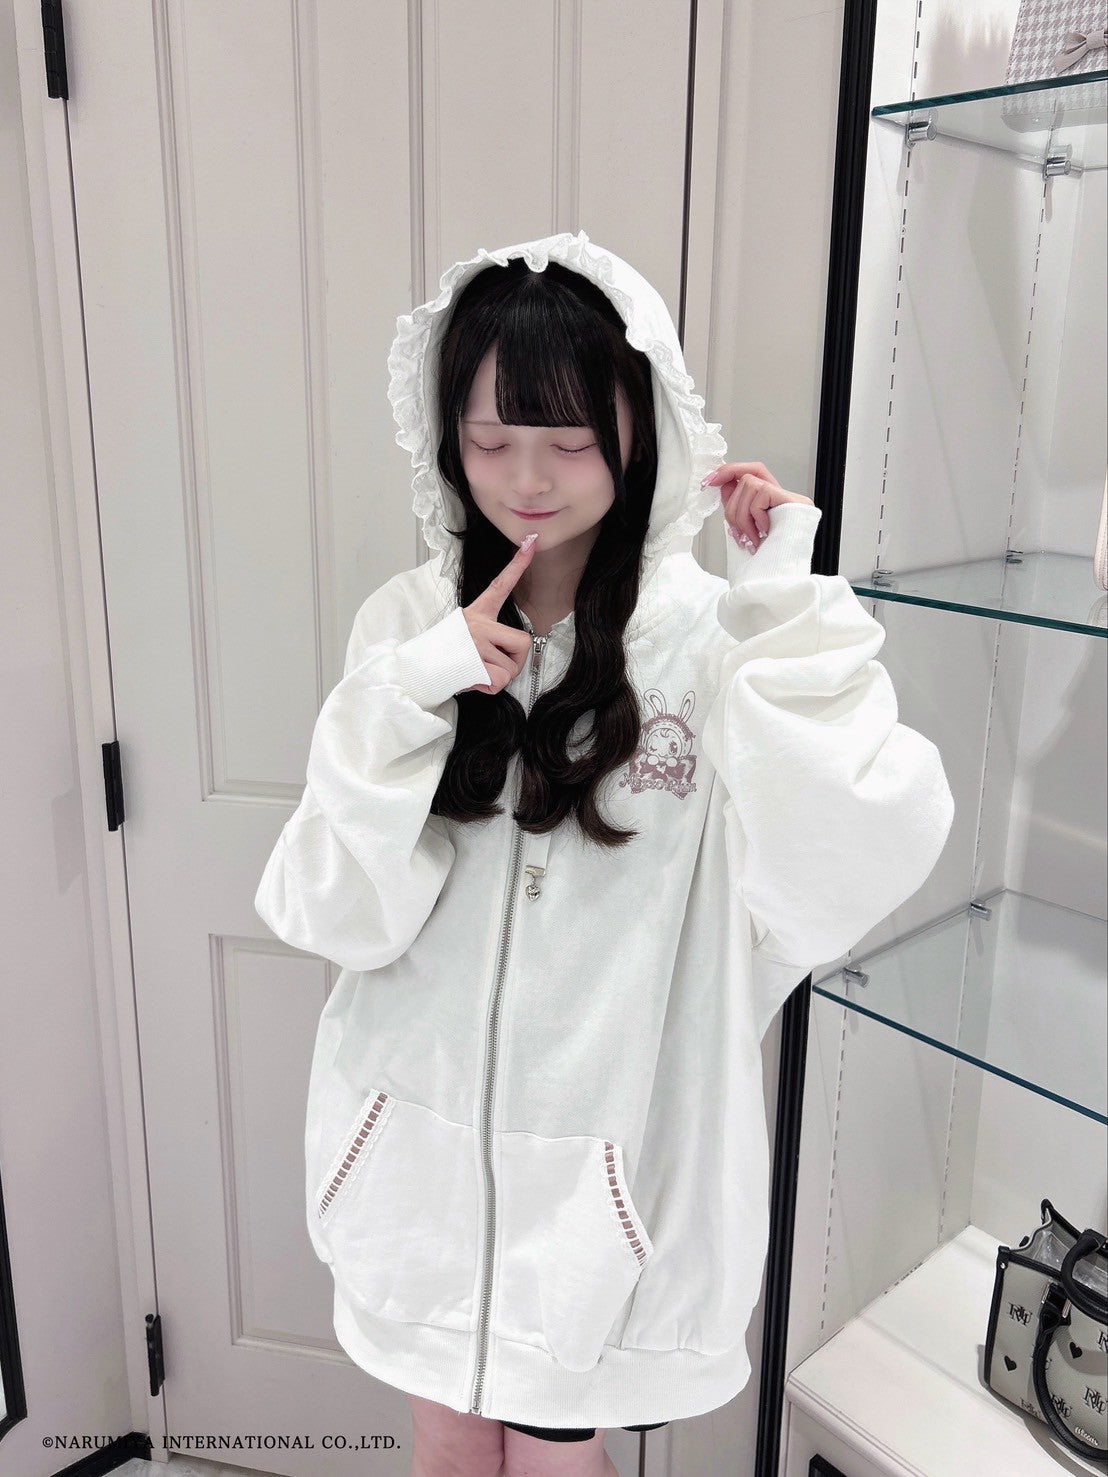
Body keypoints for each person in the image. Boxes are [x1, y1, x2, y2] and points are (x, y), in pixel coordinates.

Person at [254, 230, 956, 1477]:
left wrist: (784, 599)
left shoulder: (712, 639)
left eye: (568, 439)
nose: (526, 476)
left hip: (602, 1205)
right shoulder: (407, 623)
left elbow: (852, 846)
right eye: (488, 440)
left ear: (639, 427)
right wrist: (415, 689)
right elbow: (334, 910)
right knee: (443, 1448)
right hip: (413, 1175)